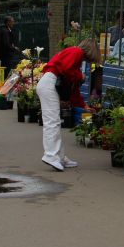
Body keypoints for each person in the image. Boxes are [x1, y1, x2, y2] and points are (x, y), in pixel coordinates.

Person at [36, 38, 102, 171]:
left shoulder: (75, 56)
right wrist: (79, 76)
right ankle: (51, 156)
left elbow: (73, 87)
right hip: (50, 84)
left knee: (54, 121)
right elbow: (67, 70)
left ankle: (59, 157)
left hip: (49, 83)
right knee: (52, 121)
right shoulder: (76, 52)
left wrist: (84, 105)